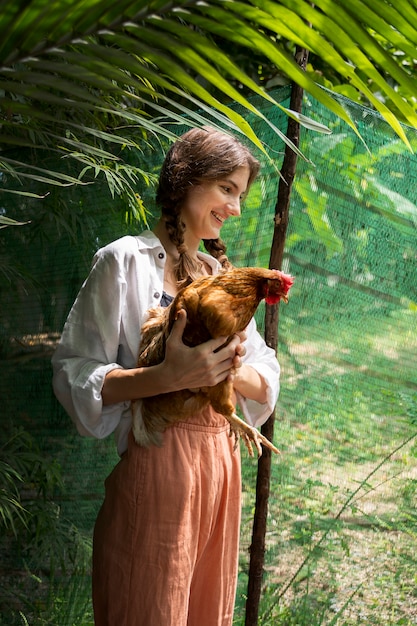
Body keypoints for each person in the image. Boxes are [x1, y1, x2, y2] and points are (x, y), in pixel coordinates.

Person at [52, 126, 280, 626]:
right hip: (158, 459)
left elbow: (266, 376)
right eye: (227, 189)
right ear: (187, 180)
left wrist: (226, 367)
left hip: (221, 464)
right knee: (150, 606)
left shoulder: (219, 277)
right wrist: (166, 376)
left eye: (239, 195)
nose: (235, 209)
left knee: (205, 613)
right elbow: (74, 374)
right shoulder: (123, 262)